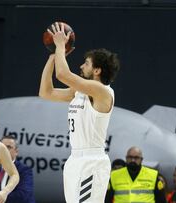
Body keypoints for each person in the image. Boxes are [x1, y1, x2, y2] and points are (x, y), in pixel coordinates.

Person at [39, 22, 120, 202]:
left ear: (97, 70)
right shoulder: (80, 91)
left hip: (92, 162)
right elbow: (46, 92)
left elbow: (63, 74)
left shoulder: (103, 92)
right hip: (74, 160)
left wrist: (60, 45)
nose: (81, 66)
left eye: (87, 63)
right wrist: (54, 55)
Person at [0, 135, 35, 203]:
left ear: (16, 152)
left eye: (8, 147)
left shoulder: (24, 170)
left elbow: (23, 195)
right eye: (2, 147)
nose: (4, 149)